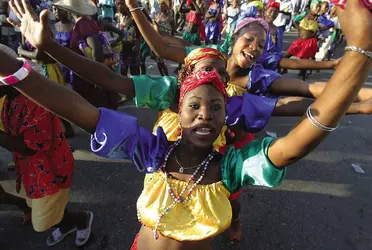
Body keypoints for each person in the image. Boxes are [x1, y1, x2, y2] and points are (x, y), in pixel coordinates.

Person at [3, 1, 372, 250]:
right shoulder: (152, 150)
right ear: (176, 107)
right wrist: (20, 62)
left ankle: (234, 223)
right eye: (194, 104)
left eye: (216, 106)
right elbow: (78, 105)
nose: (204, 113)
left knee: (234, 207)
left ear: (229, 115)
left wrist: (360, 51)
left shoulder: (233, 167)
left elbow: (310, 120)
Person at [0, 43, 94, 248]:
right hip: (31, 171)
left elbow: (31, 146)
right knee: (47, 208)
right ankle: (66, 222)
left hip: (49, 170)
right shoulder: (9, 99)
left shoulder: (33, 102)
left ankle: (81, 219)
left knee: (42, 222)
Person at [53, 0, 120, 110]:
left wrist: (97, 76)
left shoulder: (82, 24)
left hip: (91, 78)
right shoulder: (83, 22)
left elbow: (95, 46)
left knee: (100, 111)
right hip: (90, 74)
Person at [259, 0, 339, 74]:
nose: (273, 14)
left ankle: (306, 72)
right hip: (300, 41)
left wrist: (320, 29)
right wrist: (299, 29)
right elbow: (295, 20)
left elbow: (331, 24)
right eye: (316, 7)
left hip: (310, 41)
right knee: (288, 54)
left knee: (305, 59)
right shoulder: (258, 25)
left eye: (276, 12)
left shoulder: (319, 18)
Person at [153, 0, 174, 75]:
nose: (160, 6)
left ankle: (166, 76)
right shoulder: (157, 16)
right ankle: (163, 76)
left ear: (167, 6)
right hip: (157, 40)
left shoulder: (170, 18)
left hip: (165, 42)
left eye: (163, 4)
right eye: (160, 5)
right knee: (159, 62)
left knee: (161, 61)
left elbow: (173, 32)